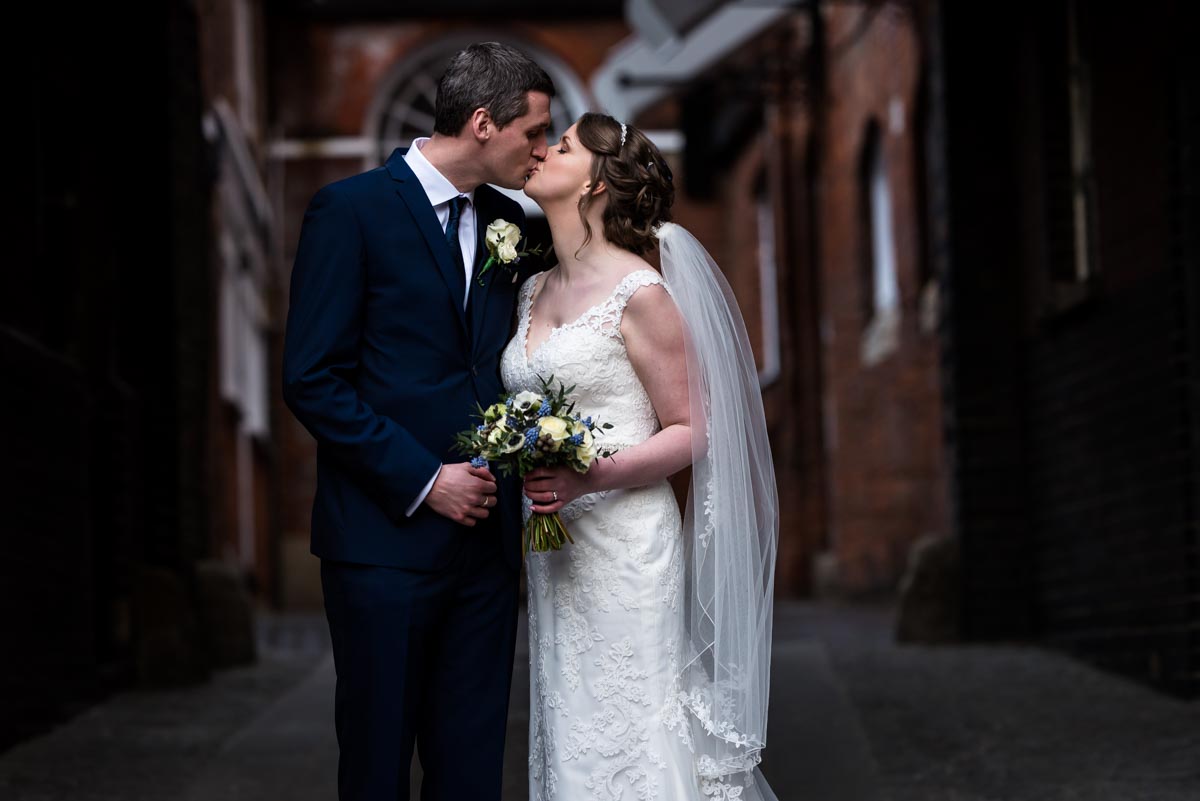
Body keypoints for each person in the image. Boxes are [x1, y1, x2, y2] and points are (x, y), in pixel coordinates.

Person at [281, 43, 555, 801]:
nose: (540, 150)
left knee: (471, 771)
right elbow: (310, 377)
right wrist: (422, 479)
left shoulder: (515, 226)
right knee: (375, 767)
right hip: (382, 544)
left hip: (487, 554)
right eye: (534, 132)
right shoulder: (351, 211)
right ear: (480, 123)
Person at [504, 112, 780, 800]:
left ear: (597, 183)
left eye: (559, 145)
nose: (541, 150)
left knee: (629, 729)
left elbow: (694, 428)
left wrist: (589, 474)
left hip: (626, 544)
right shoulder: (529, 290)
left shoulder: (642, 294)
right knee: (570, 722)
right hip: (553, 547)